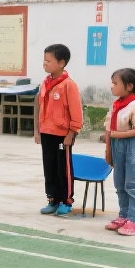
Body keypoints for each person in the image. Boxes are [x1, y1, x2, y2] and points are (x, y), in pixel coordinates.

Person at [35, 44, 83, 217]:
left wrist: (72, 133)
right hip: (47, 132)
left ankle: (66, 201)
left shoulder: (69, 85)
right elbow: (40, 106)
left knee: (63, 169)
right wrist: (38, 130)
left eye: (48, 60)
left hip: (63, 136)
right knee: (49, 167)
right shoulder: (45, 83)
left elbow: (76, 112)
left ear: (61, 63)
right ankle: (52, 199)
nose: (44, 64)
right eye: (44, 60)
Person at [104, 67, 135, 236]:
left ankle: (134, 220)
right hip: (116, 146)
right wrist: (108, 150)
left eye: (115, 83)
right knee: (119, 183)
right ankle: (123, 215)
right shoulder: (116, 105)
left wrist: (119, 135)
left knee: (132, 184)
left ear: (129, 86)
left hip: (131, 147)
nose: (112, 86)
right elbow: (109, 130)